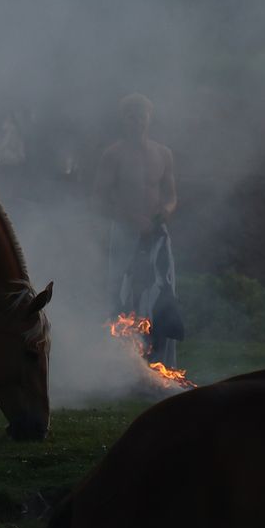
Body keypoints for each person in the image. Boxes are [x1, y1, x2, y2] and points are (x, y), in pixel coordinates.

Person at [94, 94, 181, 366]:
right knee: (123, 294)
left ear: (149, 118)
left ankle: (163, 362)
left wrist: (166, 210)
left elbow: (171, 195)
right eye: (131, 116)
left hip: (156, 234)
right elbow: (100, 200)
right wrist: (132, 219)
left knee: (162, 292)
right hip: (125, 234)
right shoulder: (113, 155)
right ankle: (124, 365)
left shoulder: (163, 154)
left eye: (141, 115)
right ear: (124, 120)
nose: (137, 120)